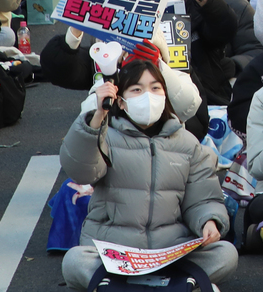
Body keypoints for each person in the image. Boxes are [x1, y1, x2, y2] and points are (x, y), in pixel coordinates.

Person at [59, 55, 238, 290]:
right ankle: (179, 285)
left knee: (226, 253)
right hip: (114, 251)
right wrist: (97, 118)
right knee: (74, 260)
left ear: (165, 96)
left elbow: (203, 198)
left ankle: (119, 286)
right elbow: (81, 170)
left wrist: (209, 221)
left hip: (171, 253)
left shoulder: (188, 144)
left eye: (155, 88)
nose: (148, 96)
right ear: (120, 101)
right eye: (136, 89)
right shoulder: (105, 137)